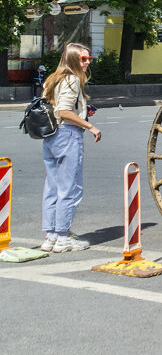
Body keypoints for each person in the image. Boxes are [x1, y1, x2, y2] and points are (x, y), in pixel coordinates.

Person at [40, 43, 101, 253]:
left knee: (52, 187)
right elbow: (65, 111)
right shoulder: (72, 79)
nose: (87, 63)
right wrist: (89, 125)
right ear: (73, 59)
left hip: (50, 136)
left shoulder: (53, 78)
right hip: (68, 134)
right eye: (83, 59)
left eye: (89, 59)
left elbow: (53, 108)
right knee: (70, 188)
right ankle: (64, 238)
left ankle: (50, 236)